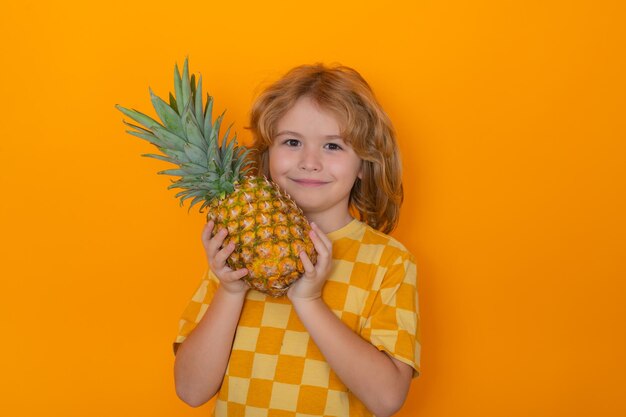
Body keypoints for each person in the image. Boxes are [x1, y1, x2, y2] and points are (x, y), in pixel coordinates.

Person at [173, 64, 420, 417]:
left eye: (333, 146)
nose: (309, 162)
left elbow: (387, 399)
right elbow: (191, 390)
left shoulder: (389, 262)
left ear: (365, 164)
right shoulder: (232, 254)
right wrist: (230, 291)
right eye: (292, 142)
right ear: (267, 154)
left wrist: (309, 301)